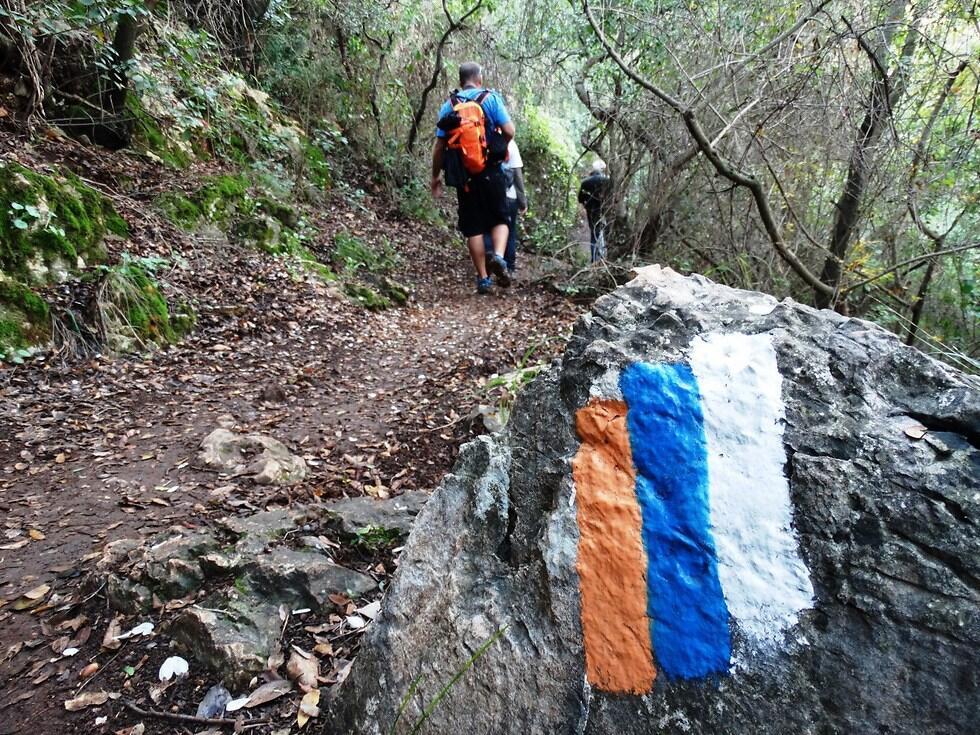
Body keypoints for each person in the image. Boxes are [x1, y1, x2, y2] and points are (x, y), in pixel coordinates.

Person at [431, 62, 516, 294]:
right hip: (492, 171)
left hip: (465, 177)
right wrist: (498, 146)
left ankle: (484, 280)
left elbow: (439, 147)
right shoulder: (491, 99)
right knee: (500, 219)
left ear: (460, 81)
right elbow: (510, 130)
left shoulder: (449, 106)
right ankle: (499, 257)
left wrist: (435, 176)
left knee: (474, 228)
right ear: (479, 79)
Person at [484, 138, 527, 273]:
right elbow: (517, 176)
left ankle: (488, 265)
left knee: (487, 229)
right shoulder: (511, 144)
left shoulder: (484, 139)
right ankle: (509, 267)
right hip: (509, 197)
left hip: (487, 193)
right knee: (510, 231)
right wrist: (523, 201)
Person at [578, 159, 611, 262]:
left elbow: (580, 199)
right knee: (606, 232)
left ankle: (594, 259)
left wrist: (586, 204)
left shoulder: (585, 182)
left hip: (591, 210)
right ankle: (605, 257)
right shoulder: (607, 181)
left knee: (594, 234)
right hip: (605, 210)